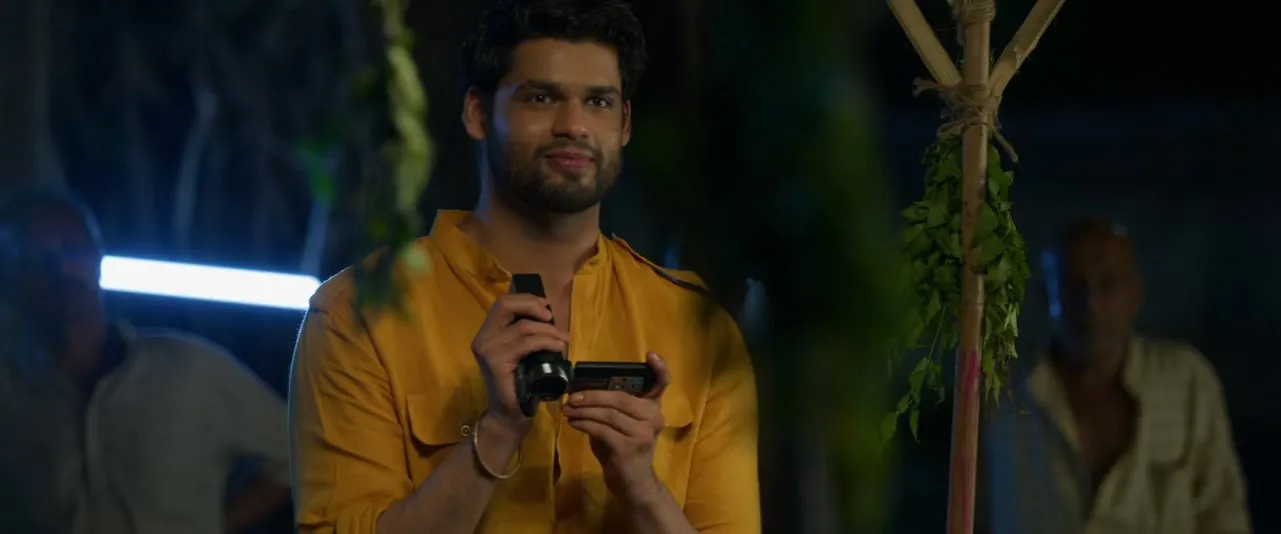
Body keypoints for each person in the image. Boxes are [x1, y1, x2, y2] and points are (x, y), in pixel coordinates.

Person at [287, 1, 760, 533]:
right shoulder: (358, 315)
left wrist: (643, 489)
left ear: (625, 123)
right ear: (477, 113)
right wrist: (497, 431)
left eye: (598, 102)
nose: (574, 126)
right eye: (540, 97)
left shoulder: (700, 330)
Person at [0, 185, 292, 534]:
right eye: (34, 259)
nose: (60, 271)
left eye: (71, 250)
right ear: (9, 277)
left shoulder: (187, 370)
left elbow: (297, 454)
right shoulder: (10, 391)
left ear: (97, 255)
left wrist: (216, 525)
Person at [980, 219, 1251, 534]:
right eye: (1073, 287)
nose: (1091, 305)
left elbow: (1223, 514)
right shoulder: (1002, 395)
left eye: (1107, 285)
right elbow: (971, 515)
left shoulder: (1185, 384)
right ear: (1046, 296)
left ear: (1134, 294)